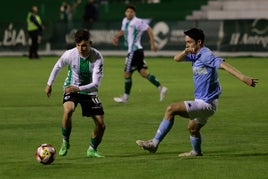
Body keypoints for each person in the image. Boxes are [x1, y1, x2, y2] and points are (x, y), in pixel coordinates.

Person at [136, 28, 258, 156]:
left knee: (171, 109)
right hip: (204, 101)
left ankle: (154, 143)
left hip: (207, 103)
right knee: (193, 129)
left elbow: (223, 65)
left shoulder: (206, 55)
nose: (187, 44)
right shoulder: (195, 54)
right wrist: (185, 51)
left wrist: (243, 78)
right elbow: (176, 59)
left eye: (189, 42)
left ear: (199, 42)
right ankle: (196, 152)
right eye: (186, 42)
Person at [45, 29, 106, 158]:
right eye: (78, 45)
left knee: (101, 125)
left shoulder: (97, 57)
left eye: (84, 45)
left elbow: (96, 84)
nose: (81, 48)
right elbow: (58, 66)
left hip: (89, 91)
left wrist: (78, 88)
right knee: (68, 110)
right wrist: (49, 84)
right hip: (71, 88)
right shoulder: (70, 54)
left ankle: (92, 149)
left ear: (90, 43)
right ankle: (65, 141)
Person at [112, 4, 168, 103]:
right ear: (125, 13)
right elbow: (123, 31)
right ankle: (161, 88)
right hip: (135, 51)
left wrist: (153, 44)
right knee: (143, 72)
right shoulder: (125, 20)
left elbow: (149, 30)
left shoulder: (137, 22)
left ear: (134, 13)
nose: (129, 13)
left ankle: (125, 98)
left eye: (131, 12)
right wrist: (116, 37)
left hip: (135, 51)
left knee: (127, 74)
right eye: (128, 11)